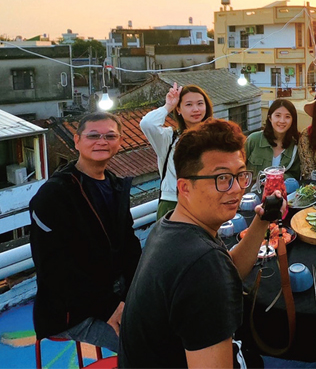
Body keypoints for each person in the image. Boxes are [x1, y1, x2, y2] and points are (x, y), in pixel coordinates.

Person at [119, 118, 287, 368]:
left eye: (240, 175)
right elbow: (211, 273)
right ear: (184, 187)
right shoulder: (202, 268)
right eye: (221, 178)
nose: (236, 189)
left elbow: (228, 270)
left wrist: (262, 220)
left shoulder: (170, 227)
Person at [30, 112, 142, 352]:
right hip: (71, 309)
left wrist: (136, 293)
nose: (102, 141)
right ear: (77, 140)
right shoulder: (55, 195)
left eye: (110, 136)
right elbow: (55, 269)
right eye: (93, 135)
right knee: (145, 348)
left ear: (120, 141)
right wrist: (110, 307)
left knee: (173, 324)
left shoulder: (114, 185)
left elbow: (130, 248)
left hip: (117, 293)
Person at [141, 83, 214, 219]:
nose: (196, 109)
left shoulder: (214, 137)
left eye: (200, 103)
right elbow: (147, 124)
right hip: (173, 203)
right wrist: (168, 106)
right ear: (178, 109)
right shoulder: (169, 138)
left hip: (206, 200)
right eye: (188, 105)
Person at [245, 98, 300, 180]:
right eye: (278, 115)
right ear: (270, 118)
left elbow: (294, 176)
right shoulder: (254, 139)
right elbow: (237, 167)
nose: (282, 121)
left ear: (293, 120)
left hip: (279, 192)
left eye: (287, 117)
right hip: (251, 192)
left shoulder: (295, 147)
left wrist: (277, 177)